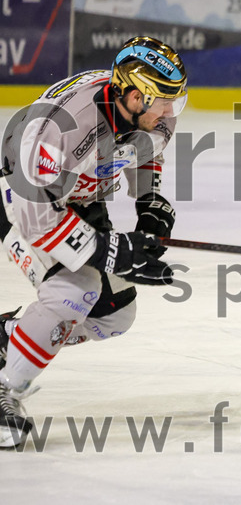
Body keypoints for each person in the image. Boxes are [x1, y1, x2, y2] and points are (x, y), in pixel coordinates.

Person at [0, 36, 187, 449]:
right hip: (22, 201)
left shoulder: (146, 112)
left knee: (114, 315)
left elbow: (146, 151)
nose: (171, 112)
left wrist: (149, 201)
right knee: (74, 292)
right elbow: (38, 221)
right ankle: (5, 390)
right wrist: (111, 249)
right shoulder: (60, 128)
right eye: (164, 102)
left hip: (78, 202)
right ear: (136, 97)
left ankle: (11, 335)